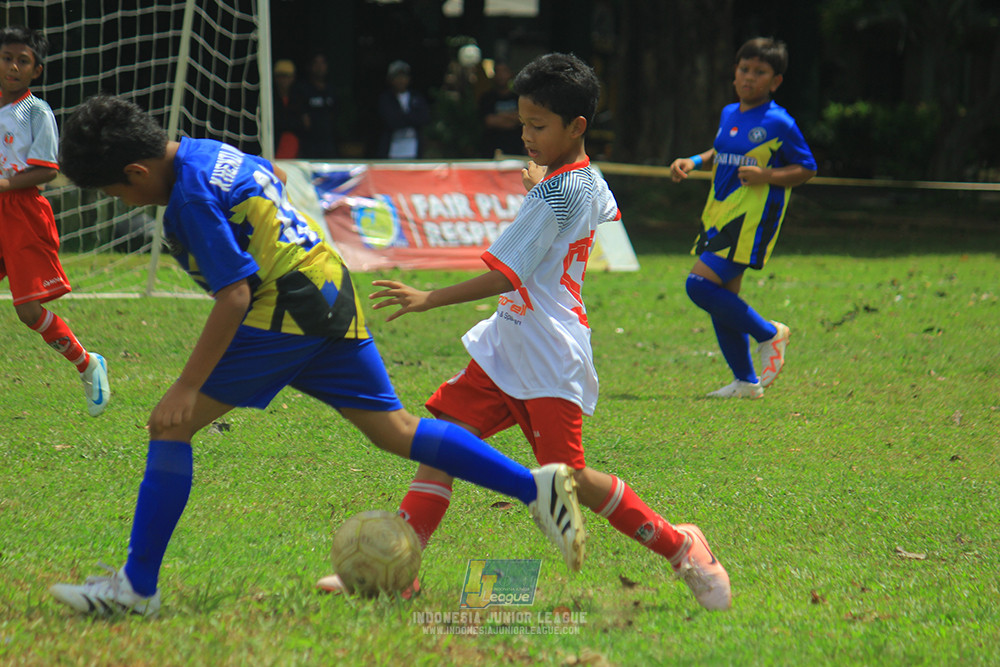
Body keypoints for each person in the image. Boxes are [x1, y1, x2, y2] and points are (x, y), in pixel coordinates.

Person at [48, 94, 586, 617]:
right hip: (328, 286)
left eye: (116, 192)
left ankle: (137, 587)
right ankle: (534, 488)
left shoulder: (187, 199)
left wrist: (186, 385)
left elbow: (234, 296)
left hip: (282, 313)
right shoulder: (207, 151)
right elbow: (274, 178)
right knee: (394, 430)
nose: (123, 203)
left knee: (171, 427)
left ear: (137, 172)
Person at [317, 53, 732, 611]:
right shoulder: (583, 179)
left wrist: (429, 298)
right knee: (443, 446)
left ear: (576, 127)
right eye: (522, 124)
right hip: (507, 342)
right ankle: (401, 571)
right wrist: (544, 179)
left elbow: (504, 273)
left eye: (538, 127)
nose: (526, 135)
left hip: (547, 352)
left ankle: (682, 546)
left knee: (571, 480)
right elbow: (591, 204)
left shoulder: (555, 194)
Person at [669, 37, 816, 399]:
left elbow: (807, 167)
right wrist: (696, 161)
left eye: (760, 72)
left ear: (775, 81)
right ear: (735, 72)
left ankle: (769, 333)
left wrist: (768, 176)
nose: (749, 77)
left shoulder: (780, 122)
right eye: (744, 69)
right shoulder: (728, 113)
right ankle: (746, 382)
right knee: (721, 297)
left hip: (751, 217)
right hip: (719, 211)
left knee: (698, 285)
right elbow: (721, 149)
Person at [0, 26, 109, 417]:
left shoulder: (36, 112)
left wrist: (4, 184)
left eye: (22, 61)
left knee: (28, 312)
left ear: (36, 71)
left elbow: (46, 170)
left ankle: (87, 363)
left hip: (22, 212)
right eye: (7, 57)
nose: (12, 66)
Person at [376, 60, 431, 159]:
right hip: (392, 149)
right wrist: (410, 117)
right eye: (397, 77)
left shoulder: (416, 97)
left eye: (404, 76)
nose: (401, 80)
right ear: (391, 79)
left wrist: (403, 117)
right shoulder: (386, 98)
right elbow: (391, 121)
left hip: (413, 149)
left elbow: (424, 118)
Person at [296, 53, 338, 159]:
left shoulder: (331, 89)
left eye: (322, 63)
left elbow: (335, 113)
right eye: (316, 63)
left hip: (328, 142)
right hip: (309, 144)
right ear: (310, 66)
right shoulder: (303, 89)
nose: (319, 67)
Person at [478, 61, 523, 158]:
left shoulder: (518, 98)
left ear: (510, 74)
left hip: (515, 149)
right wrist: (512, 117)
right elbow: (489, 121)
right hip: (491, 149)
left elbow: (522, 119)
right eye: (498, 72)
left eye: (504, 71)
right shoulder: (487, 98)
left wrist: (500, 116)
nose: (501, 75)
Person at [272, 59, 307, 159]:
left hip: (294, 143)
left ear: (292, 78)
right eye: (280, 76)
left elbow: (304, 124)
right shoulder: (270, 98)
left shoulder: (299, 97)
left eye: (286, 76)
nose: (283, 80)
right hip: (276, 143)